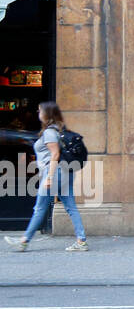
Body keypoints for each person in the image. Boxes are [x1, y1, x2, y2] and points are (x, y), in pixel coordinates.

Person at [5, 102, 87, 252]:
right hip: (65, 172)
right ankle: (81, 241)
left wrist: (49, 177)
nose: (38, 113)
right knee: (71, 207)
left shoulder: (50, 132)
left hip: (54, 173)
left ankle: (24, 241)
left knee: (40, 208)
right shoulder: (59, 129)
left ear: (47, 114)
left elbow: (55, 154)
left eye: (40, 111)